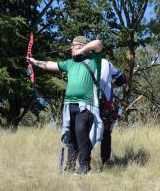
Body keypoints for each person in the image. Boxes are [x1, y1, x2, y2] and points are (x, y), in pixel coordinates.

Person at [27, 36, 104, 175]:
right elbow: (52, 64)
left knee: (81, 131)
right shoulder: (70, 63)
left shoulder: (94, 59)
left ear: (82, 46)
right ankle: (69, 167)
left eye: (75, 45)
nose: (72, 48)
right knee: (71, 137)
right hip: (69, 105)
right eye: (72, 45)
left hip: (86, 105)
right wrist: (34, 62)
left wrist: (82, 49)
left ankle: (84, 166)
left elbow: (98, 43)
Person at [99, 59, 126, 168]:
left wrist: (111, 85)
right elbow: (122, 78)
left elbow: (122, 78)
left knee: (84, 130)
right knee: (105, 133)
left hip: (90, 102)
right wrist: (112, 85)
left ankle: (84, 162)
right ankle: (105, 162)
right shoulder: (107, 63)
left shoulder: (82, 62)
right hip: (105, 103)